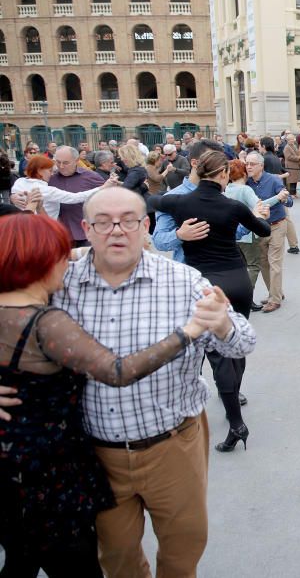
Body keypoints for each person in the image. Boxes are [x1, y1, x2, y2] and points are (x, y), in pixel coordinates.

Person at [42, 187, 255, 577]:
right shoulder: (60, 285)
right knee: (118, 558)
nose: (116, 231)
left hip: (173, 445)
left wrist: (222, 322)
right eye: (104, 222)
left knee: (181, 551)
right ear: (86, 229)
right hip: (96, 451)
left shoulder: (183, 280)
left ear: (146, 227)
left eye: (128, 221)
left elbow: (243, 344)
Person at [0, 212, 210, 578]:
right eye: (62, 254)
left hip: (12, 469)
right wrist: (188, 332)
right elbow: (117, 371)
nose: (68, 263)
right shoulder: (46, 322)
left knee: (20, 555)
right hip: (49, 472)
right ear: (41, 260)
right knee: (75, 562)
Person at [148, 152, 271, 452]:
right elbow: (263, 231)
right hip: (237, 280)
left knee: (216, 355)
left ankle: (236, 422)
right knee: (234, 343)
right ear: (224, 175)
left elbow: (149, 201)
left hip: (204, 284)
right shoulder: (232, 206)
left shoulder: (178, 202)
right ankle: (233, 400)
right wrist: (256, 216)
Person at [246, 151, 293, 312]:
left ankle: (274, 300)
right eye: (247, 164)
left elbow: (288, 200)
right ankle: (275, 292)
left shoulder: (273, 179)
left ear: (261, 165)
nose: (249, 167)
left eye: (252, 164)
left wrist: (285, 197)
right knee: (264, 263)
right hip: (259, 228)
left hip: (277, 225)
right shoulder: (247, 184)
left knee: (274, 263)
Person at [12, 155, 114, 220]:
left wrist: (12, 197)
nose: (52, 174)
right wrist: (102, 188)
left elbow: (14, 195)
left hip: (22, 225)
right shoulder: (45, 190)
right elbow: (75, 197)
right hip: (43, 228)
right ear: (39, 171)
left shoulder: (19, 182)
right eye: (49, 171)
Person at [48, 146, 107, 247]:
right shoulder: (50, 179)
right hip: (60, 235)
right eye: (58, 162)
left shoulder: (90, 176)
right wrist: (15, 196)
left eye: (66, 163)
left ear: (76, 160)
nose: (61, 166)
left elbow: (109, 195)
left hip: (86, 234)